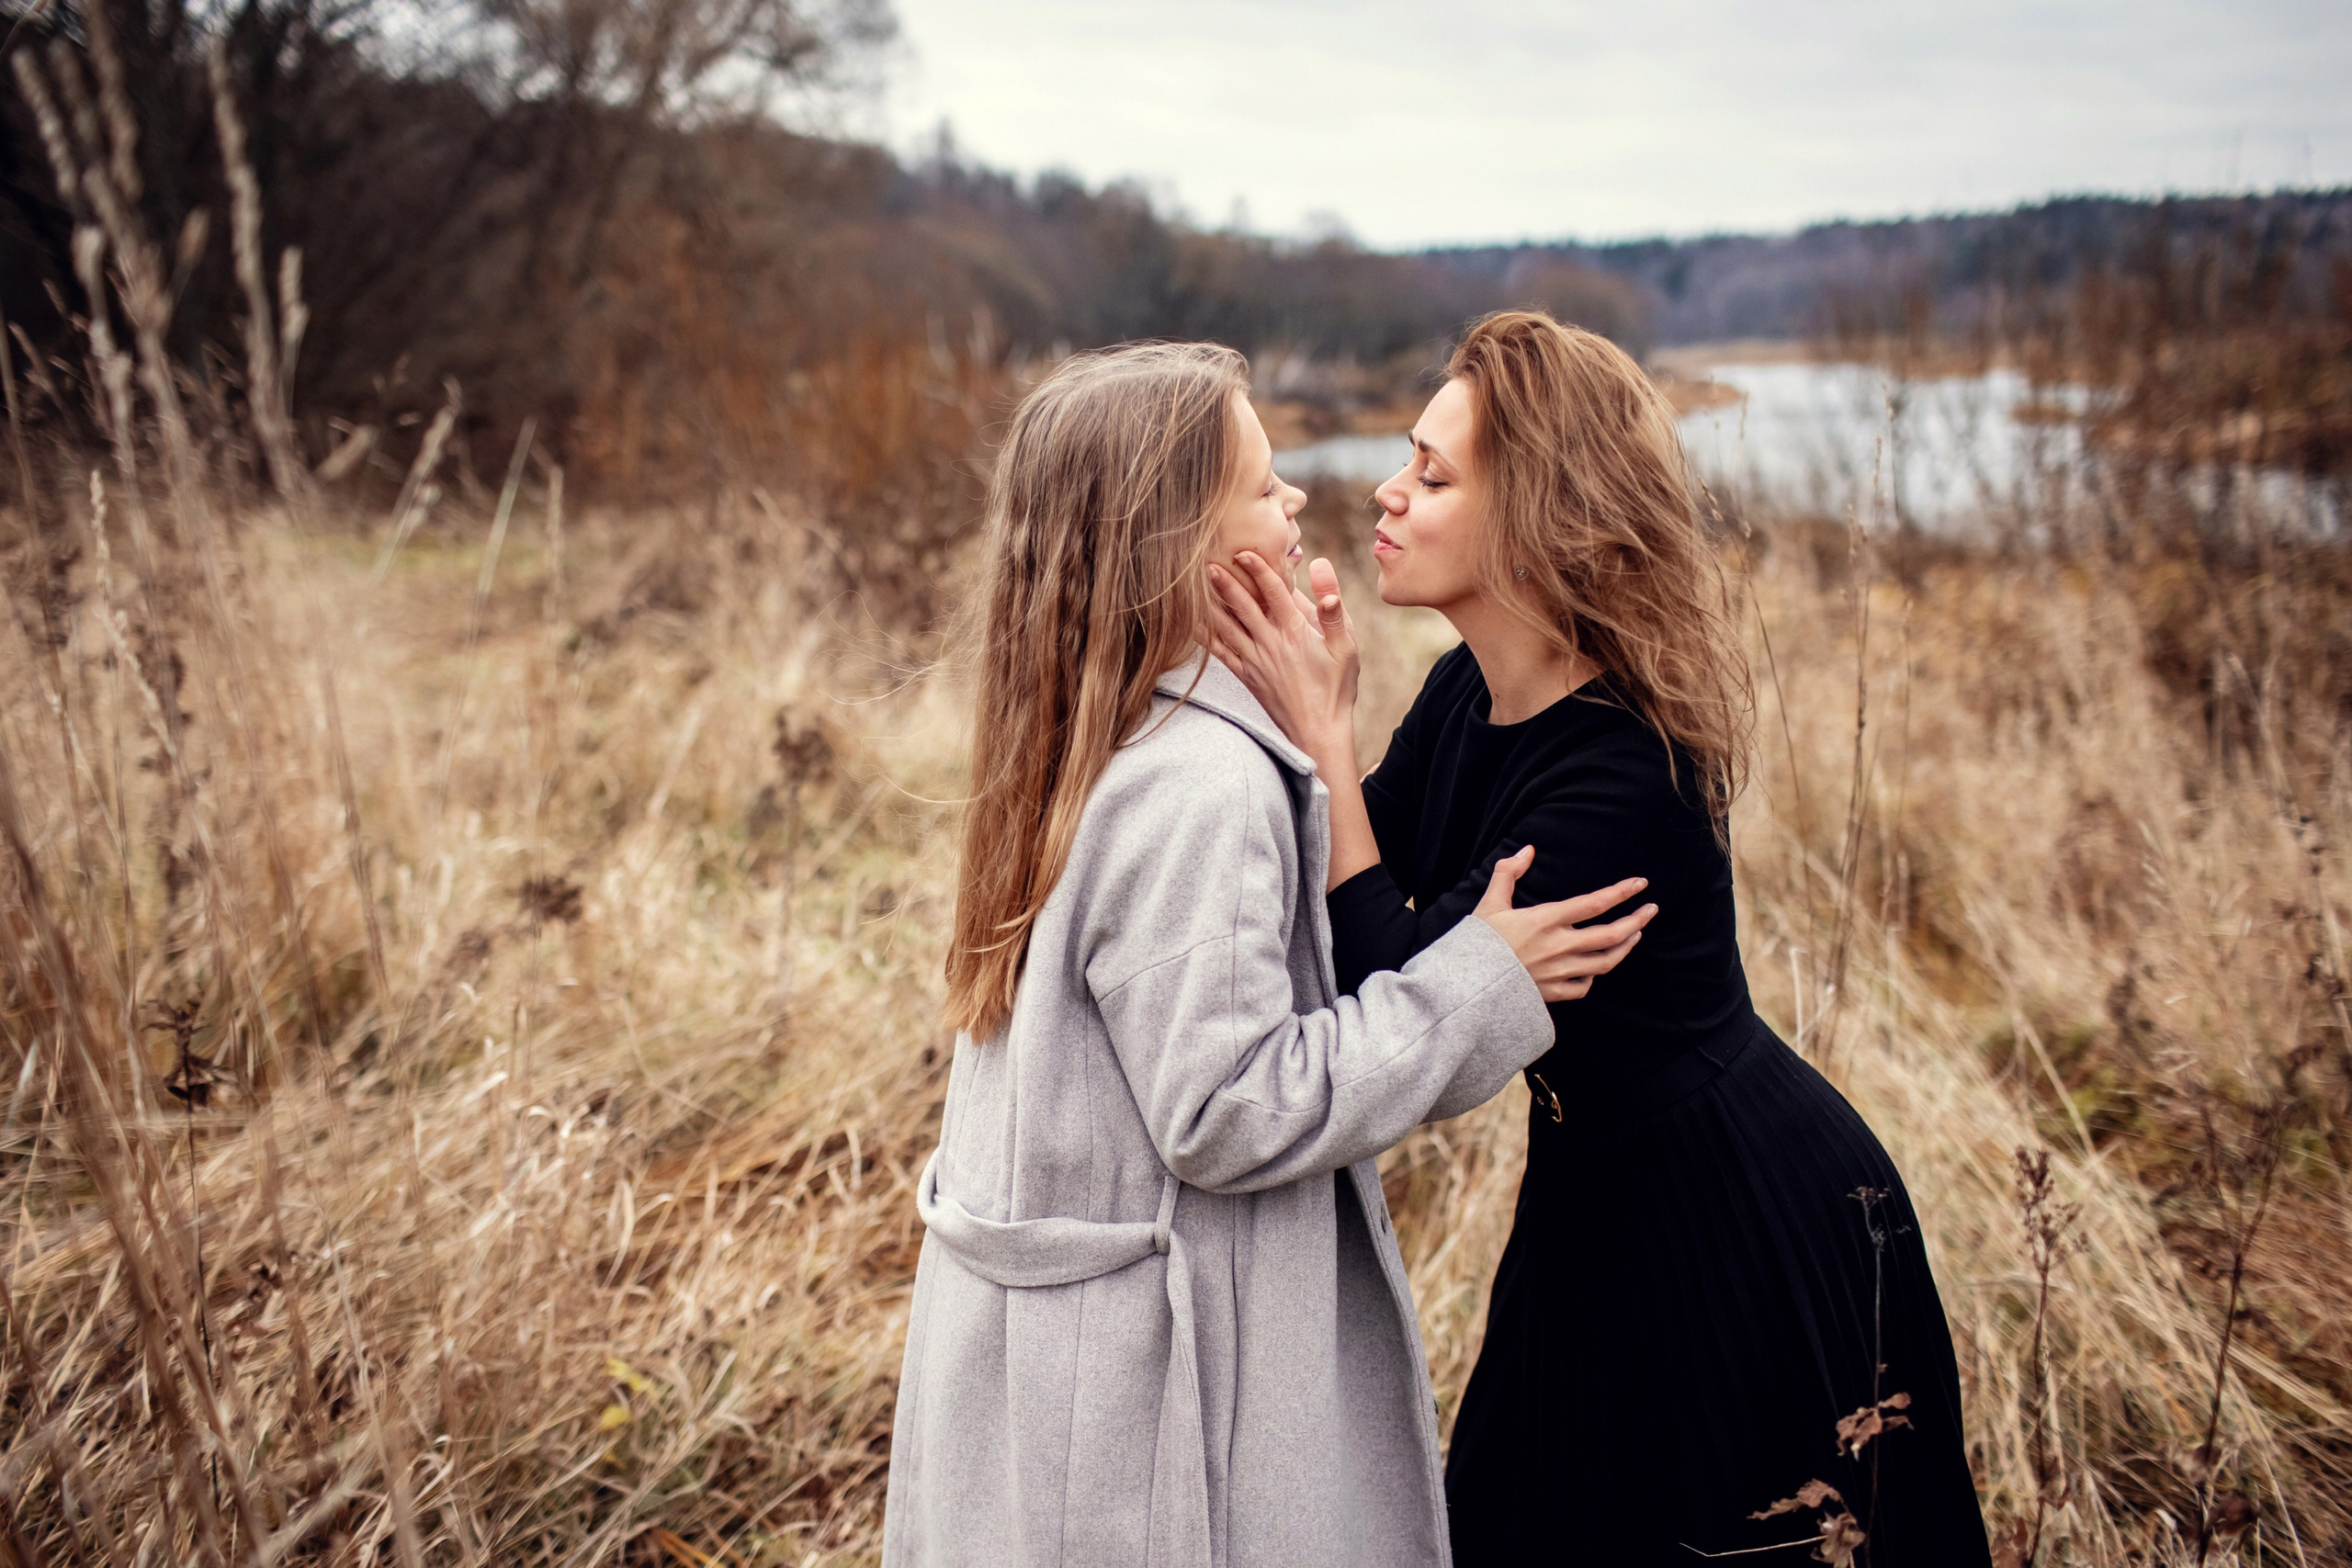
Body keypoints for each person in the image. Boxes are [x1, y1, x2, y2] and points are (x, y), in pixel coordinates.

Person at [1208, 311, 1991, 1565]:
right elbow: (1352, 897)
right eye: (1406, 460)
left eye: (1434, 476)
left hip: (1732, 1213)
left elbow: (1395, 982)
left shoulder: (1624, 772)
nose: (1389, 493)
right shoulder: (1469, 691)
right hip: (1590, 1191)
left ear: (1537, 519)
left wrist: (1329, 735)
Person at [882, 341, 1657, 1568]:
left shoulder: (1087, 730)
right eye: (1260, 484)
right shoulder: (1204, 785)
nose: (1298, 498)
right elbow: (1227, 1106)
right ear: (1176, 542)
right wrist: (1480, 986)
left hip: (1051, 1374)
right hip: (1144, 1407)